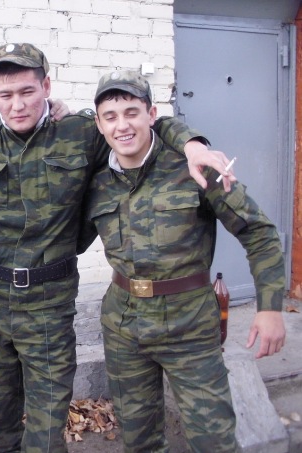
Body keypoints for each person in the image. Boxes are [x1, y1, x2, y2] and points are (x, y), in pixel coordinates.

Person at [0, 43, 236, 453]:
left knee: (46, 427)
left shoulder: (81, 132)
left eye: (27, 91)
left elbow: (143, 123)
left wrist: (193, 144)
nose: (17, 104)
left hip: (49, 303)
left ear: (46, 87)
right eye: (6, 94)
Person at [80, 70, 286, 452]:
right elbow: (71, 241)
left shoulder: (195, 167)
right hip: (123, 326)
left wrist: (270, 308)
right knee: (140, 441)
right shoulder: (96, 182)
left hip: (189, 326)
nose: (122, 125)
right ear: (99, 123)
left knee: (214, 441)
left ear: (151, 114)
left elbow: (259, 233)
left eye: (132, 112)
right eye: (110, 116)